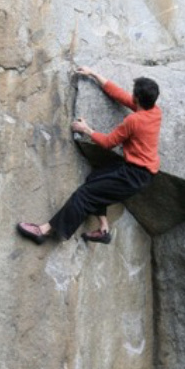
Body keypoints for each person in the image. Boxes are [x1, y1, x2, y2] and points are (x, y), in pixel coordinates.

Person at [16, 66, 161, 245]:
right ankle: (103, 229)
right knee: (95, 178)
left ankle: (44, 231)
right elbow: (121, 96)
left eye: (133, 94)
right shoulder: (154, 112)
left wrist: (86, 130)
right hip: (139, 172)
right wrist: (93, 74)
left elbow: (108, 143)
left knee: (84, 195)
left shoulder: (134, 121)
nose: (131, 95)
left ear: (137, 99)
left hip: (133, 175)